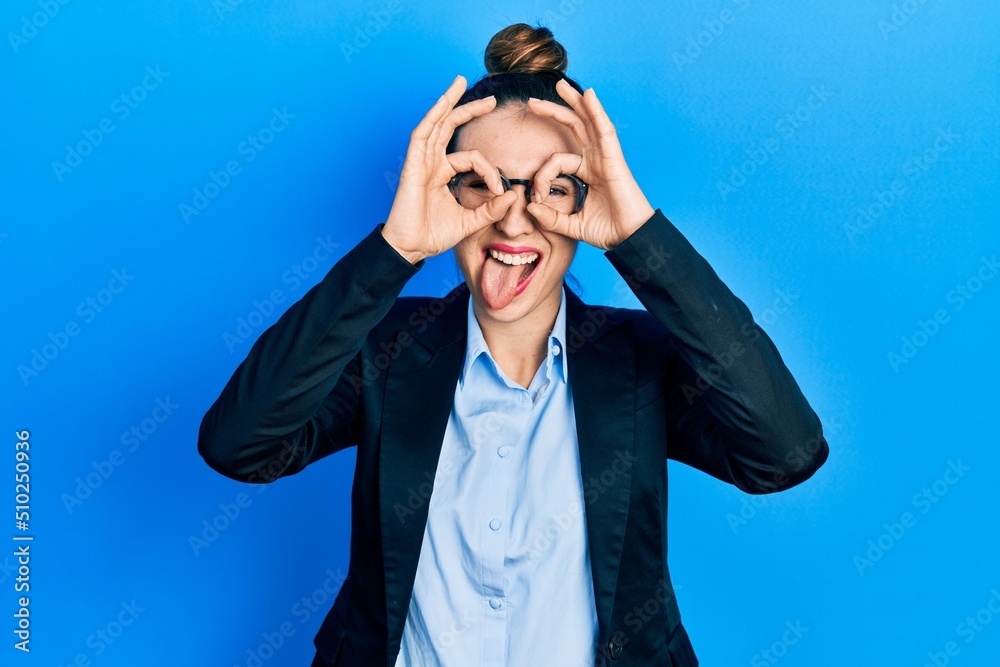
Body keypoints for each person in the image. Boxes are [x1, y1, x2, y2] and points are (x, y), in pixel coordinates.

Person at [197, 22, 829, 667]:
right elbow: (239, 446)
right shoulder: (383, 347)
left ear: (588, 200)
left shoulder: (642, 360)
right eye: (484, 182)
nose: (514, 218)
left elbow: (785, 454)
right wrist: (396, 249)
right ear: (450, 191)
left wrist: (638, 236)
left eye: (553, 187)